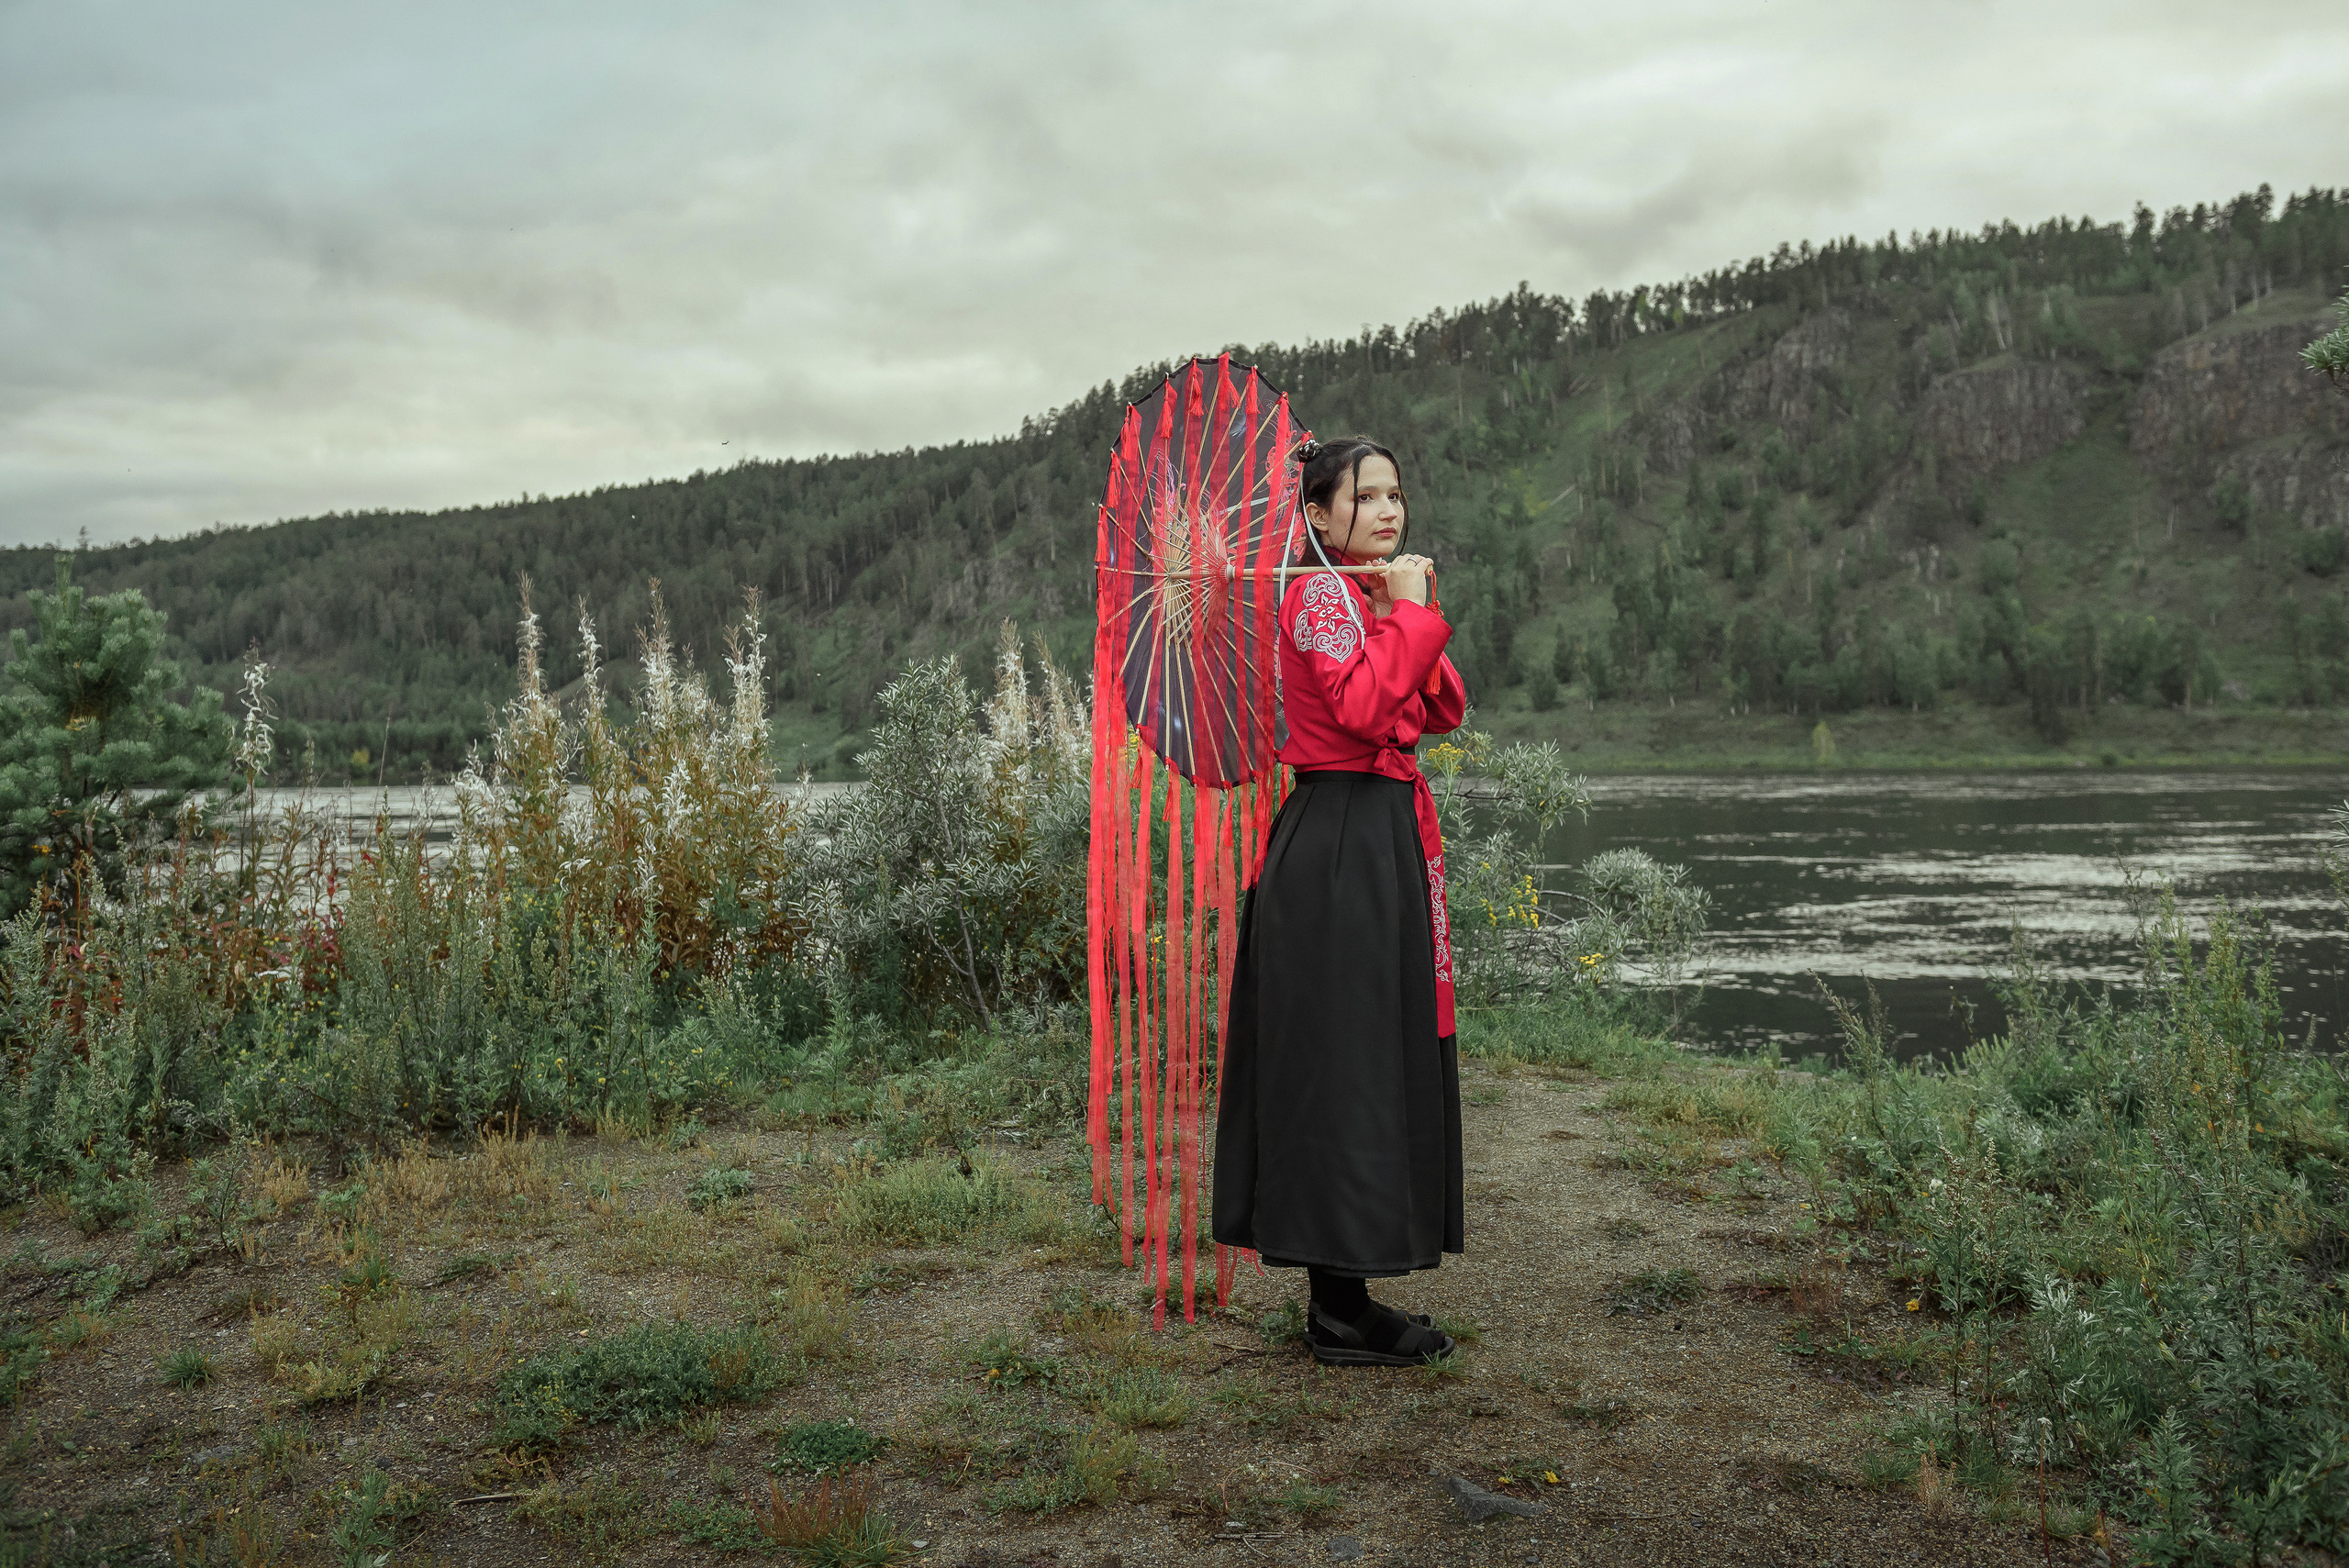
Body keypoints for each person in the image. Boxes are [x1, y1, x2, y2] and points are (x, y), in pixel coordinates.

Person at [1211, 435, 1468, 1367]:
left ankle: (1349, 1291)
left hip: (1378, 835)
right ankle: (1336, 1307)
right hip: (1336, 843)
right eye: (1365, 497)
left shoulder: (1360, 596)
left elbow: (1441, 709)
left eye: (1395, 494)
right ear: (1318, 515)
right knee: (1339, 1060)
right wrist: (1405, 615)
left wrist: (1402, 610)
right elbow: (1363, 710)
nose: (1388, 511)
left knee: (1372, 1051)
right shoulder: (1318, 597)